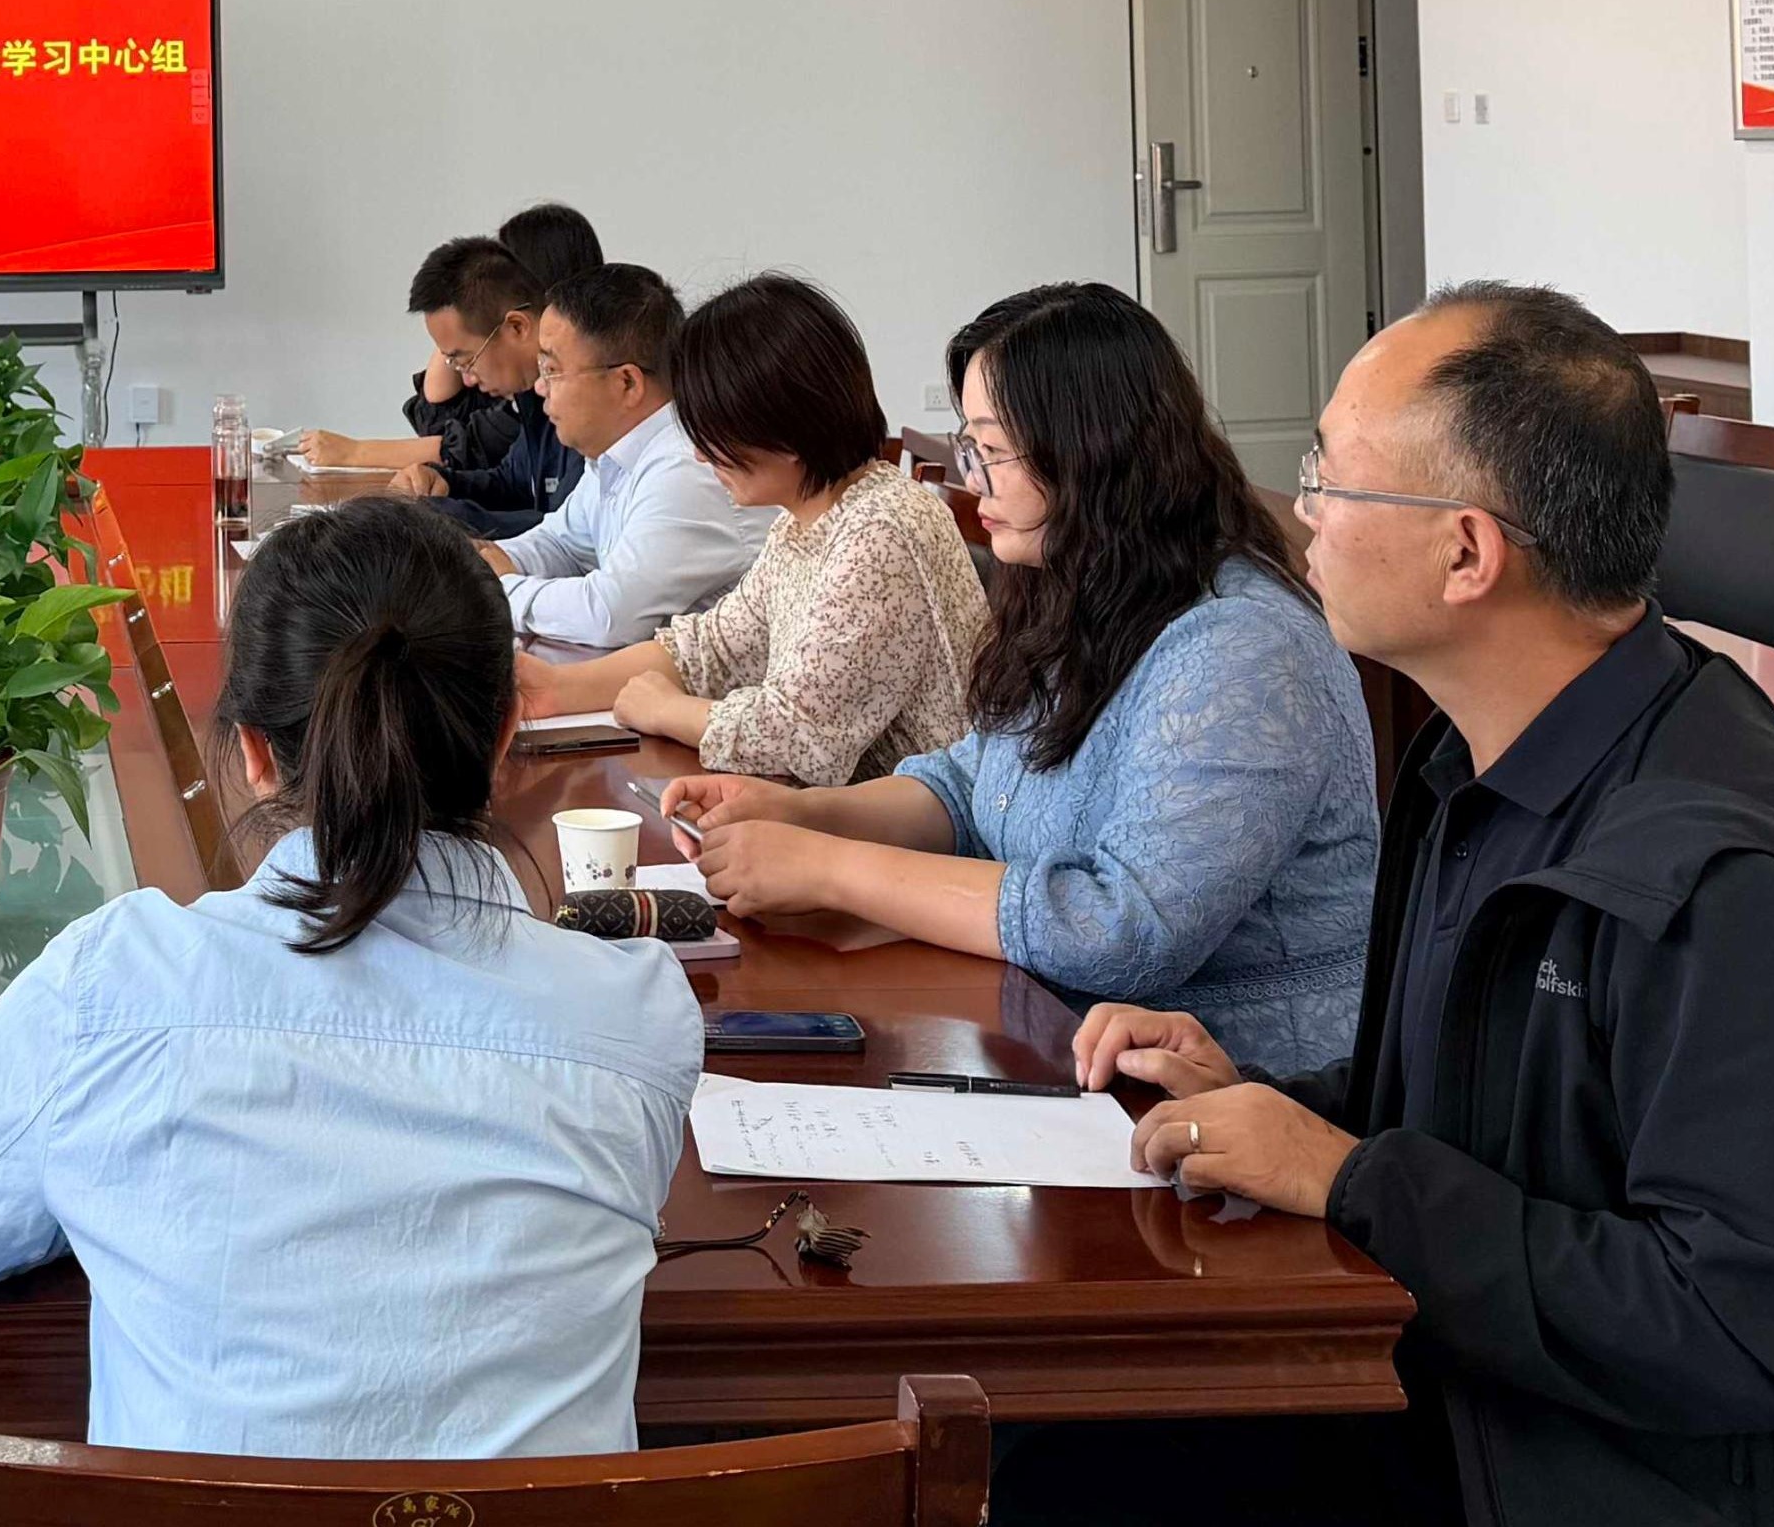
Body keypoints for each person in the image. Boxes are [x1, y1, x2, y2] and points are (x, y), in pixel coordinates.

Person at [992, 282, 1774, 1527]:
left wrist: (1347, 1176)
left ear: (1468, 555)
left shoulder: (1734, 883)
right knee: (1049, 1460)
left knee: (1053, 1503)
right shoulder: (1489, 765)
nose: (1305, 516)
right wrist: (1268, 1099)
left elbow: (1737, 1328)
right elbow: (1484, 1101)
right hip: (1505, 1416)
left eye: (1333, 477)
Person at [0, 499, 700, 1459]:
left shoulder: (118, 990)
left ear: (255, 753)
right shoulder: (635, 1014)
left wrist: (95, 1172)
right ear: (508, 732)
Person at [659, 281, 1375, 1078]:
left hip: (1249, 1090)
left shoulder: (1241, 647)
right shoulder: (1082, 581)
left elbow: (1123, 933)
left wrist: (832, 867)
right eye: (970, 449)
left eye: (991, 453)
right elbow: (977, 787)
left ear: (1090, 449)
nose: (973, 482)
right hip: (1050, 1035)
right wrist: (807, 813)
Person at [516, 273, 981, 785]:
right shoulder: (805, 520)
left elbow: (799, 737)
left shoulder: (880, 528)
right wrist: (559, 687)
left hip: (921, 837)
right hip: (844, 819)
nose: (698, 453)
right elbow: (712, 648)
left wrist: (667, 709)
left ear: (784, 423)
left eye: (713, 428)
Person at [480, 263, 769, 648]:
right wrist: (480, 563)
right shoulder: (616, 456)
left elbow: (611, 615)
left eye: (552, 370)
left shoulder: (686, 464)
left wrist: (502, 589)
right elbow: (561, 544)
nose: (538, 387)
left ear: (626, 382)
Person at [300, 238, 571, 534]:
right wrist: (443, 482)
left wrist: (439, 512)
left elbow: (573, 534)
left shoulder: (584, 395)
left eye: (467, 360)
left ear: (517, 327)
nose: (467, 379)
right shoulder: (531, 395)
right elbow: (512, 484)